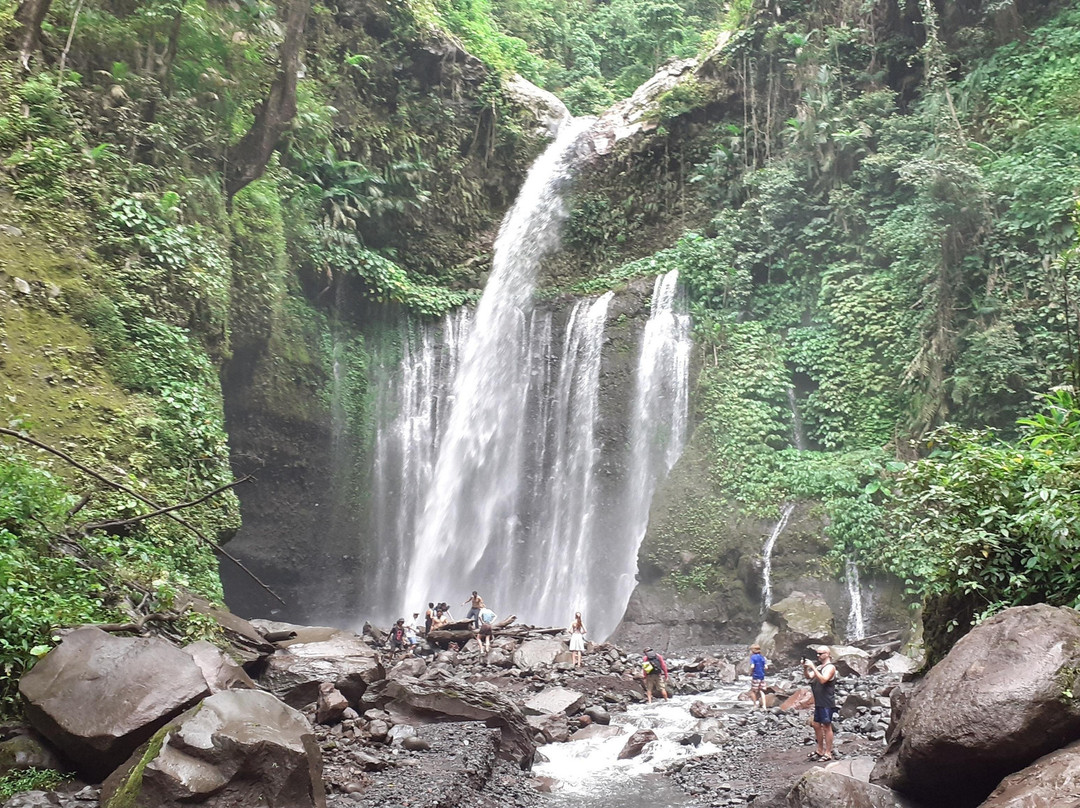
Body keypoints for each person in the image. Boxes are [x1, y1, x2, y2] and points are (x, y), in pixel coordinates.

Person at [804, 645, 838, 761]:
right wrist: (805, 668)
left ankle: (828, 752)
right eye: (817, 654)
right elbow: (810, 677)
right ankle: (820, 750)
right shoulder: (819, 667)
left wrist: (813, 667)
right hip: (819, 701)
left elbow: (823, 680)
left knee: (826, 726)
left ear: (827, 654)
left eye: (821, 653)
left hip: (826, 701)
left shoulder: (830, 667)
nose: (818, 656)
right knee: (816, 724)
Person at [749, 643, 769, 709]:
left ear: (753, 650)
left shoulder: (753, 657)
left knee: (752, 691)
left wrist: (750, 672)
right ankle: (764, 706)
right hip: (762, 676)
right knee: (762, 691)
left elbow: (752, 666)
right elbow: (766, 667)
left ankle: (755, 705)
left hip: (755, 676)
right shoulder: (762, 657)